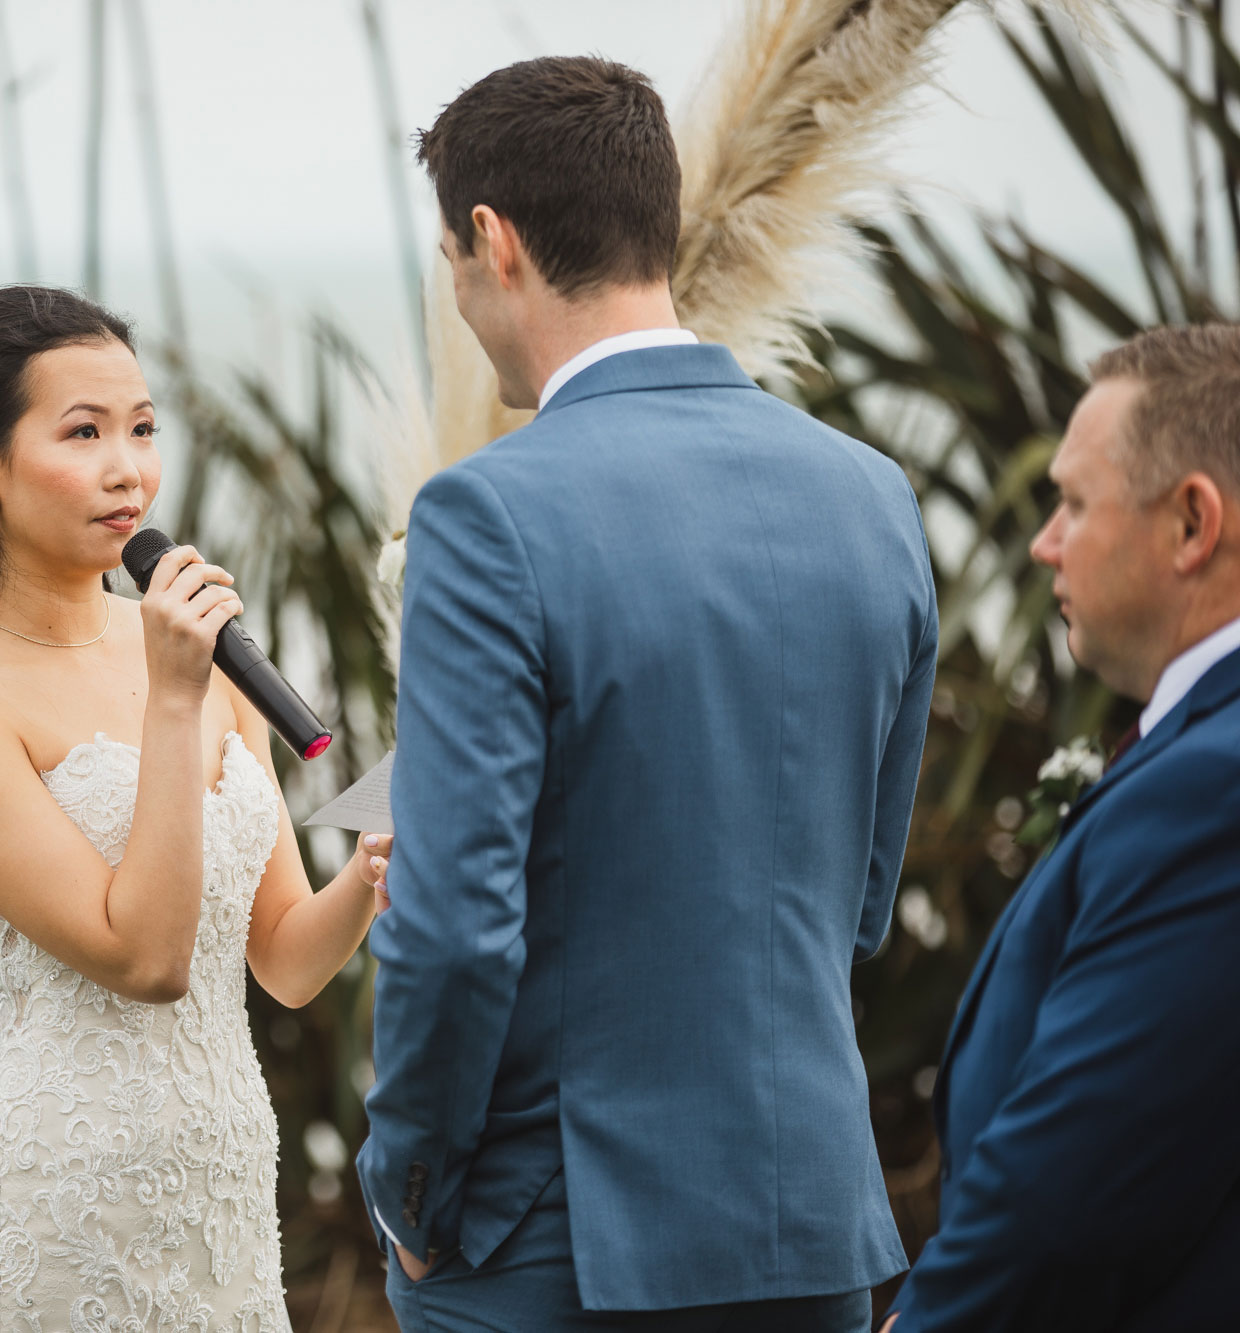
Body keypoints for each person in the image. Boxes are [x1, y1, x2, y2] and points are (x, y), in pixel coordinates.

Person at [358, 57, 936, 1331]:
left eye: (449, 261)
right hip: (809, 1234)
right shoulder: (868, 496)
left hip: (556, 1248)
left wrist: (405, 1193)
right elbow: (855, 902)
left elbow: (453, 932)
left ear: (491, 243)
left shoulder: (484, 514)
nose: (454, 297)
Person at [0, 284, 391, 1331]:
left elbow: (280, 959)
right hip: (66, 1204)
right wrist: (174, 695)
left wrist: (372, 871)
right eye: (84, 431)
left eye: (143, 429)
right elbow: (144, 957)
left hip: (226, 1203)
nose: (128, 468)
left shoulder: (192, 652)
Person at [883, 326, 1240, 1333]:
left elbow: (1071, 1191)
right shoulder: (1190, 750)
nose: (1043, 540)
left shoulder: (1213, 791)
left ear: (1188, 523)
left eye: (1073, 503)